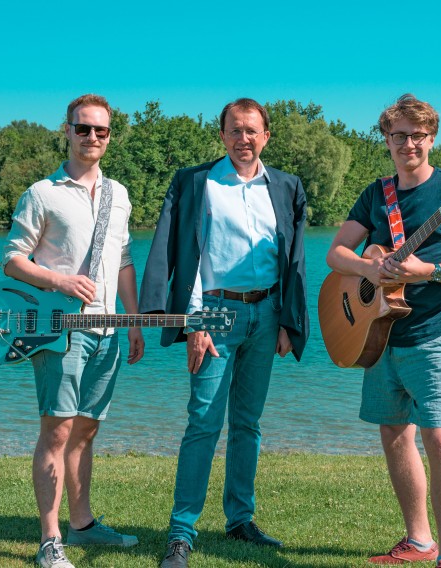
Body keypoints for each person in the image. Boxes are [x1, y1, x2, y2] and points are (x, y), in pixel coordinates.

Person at [325, 94, 441, 568]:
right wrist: (368, 268)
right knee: (394, 432)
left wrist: (430, 272)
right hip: (379, 334)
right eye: (398, 135)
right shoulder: (376, 193)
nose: (407, 144)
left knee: (440, 438)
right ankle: (417, 540)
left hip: (436, 333)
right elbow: (336, 253)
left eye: (416, 135)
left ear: (431, 138)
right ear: (386, 140)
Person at [139, 98, 309, 568]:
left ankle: (240, 520)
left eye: (252, 130)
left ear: (266, 136)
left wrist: (289, 323)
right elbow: (183, 252)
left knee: (248, 424)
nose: (243, 139)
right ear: (223, 135)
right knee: (203, 423)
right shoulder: (197, 181)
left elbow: (294, 260)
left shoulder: (287, 187)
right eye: (235, 130)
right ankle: (180, 532)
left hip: (267, 313)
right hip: (214, 312)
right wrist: (193, 321)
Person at [1, 93, 144, 568]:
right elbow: (13, 258)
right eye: (83, 129)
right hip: (61, 331)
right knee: (57, 430)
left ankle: (82, 526)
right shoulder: (43, 193)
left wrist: (135, 319)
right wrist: (60, 280)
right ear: (67, 131)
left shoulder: (119, 194)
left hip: (110, 331)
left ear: (109, 136)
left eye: (100, 130)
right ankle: (50, 539)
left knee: (86, 430)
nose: (92, 138)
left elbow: (123, 261)